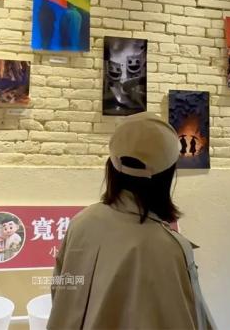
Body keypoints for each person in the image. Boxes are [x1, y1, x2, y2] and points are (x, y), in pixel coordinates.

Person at [48, 112, 216, 330]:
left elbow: (60, 293)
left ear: (111, 166)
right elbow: (188, 320)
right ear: (167, 176)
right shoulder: (171, 248)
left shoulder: (81, 222)